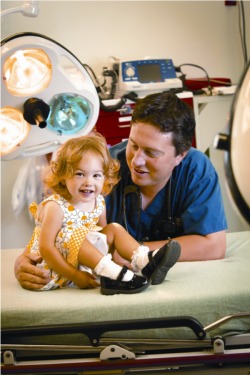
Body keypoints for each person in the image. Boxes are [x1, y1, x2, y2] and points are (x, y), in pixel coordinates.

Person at [14, 92, 227, 290]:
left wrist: (132, 250)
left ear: (180, 155)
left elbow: (213, 246)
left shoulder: (196, 170)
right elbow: (55, 225)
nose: (136, 160)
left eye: (151, 152)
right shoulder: (101, 169)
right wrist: (22, 261)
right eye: (133, 145)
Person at [20, 132, 180, 294]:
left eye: (96, 175)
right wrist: (75, 276)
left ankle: (146, 262)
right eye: (79, 174)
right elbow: (46, 248)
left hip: (84, 263)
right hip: (57, 268)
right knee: (74, 233)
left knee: (113, 228)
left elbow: (103, 240)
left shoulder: (99, 203)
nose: (89, 182)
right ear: (63, 176)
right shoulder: (56, 207)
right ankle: (115, 276)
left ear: (105, 177)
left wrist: (111, 260)